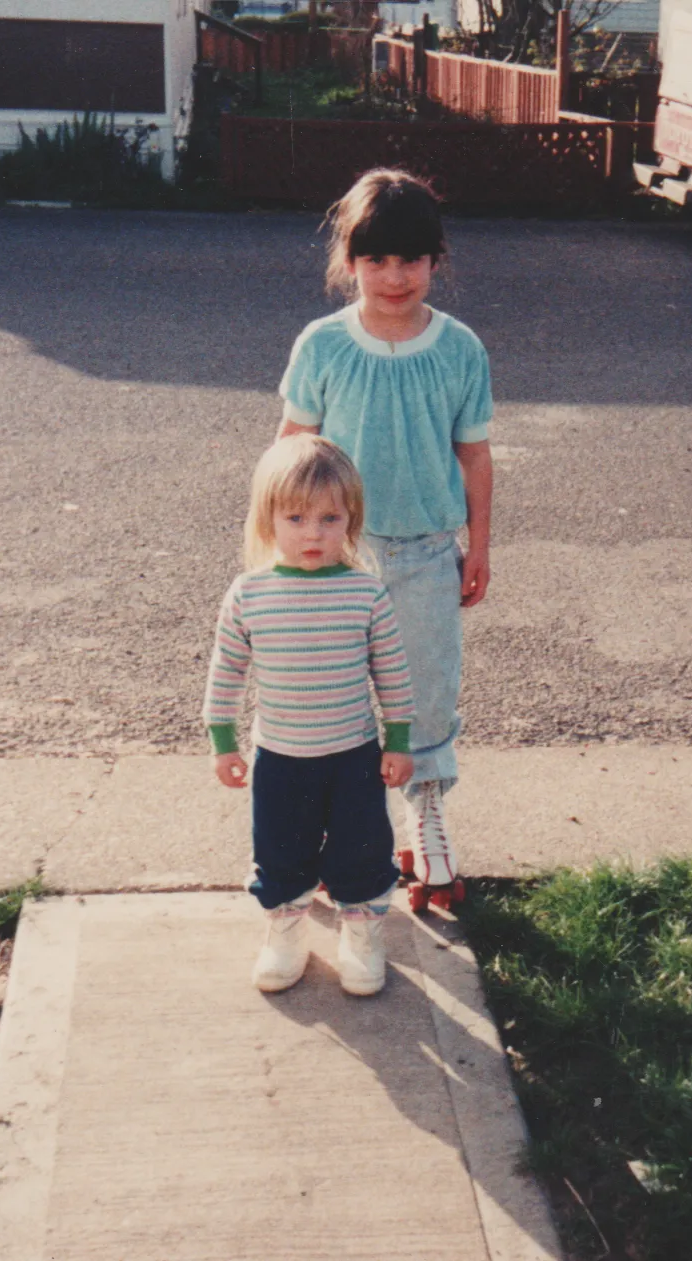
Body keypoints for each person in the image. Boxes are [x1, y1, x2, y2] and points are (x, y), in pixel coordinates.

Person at [275, 168, 493, 892]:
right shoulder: (322, 344)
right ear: (349, 262)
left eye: (410, 260)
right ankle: (332, 830)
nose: (393, 277)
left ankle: (425, 811)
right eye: (375, 260)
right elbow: (293, 449)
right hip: (334, 556)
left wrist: (480, 547)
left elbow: (474, 453)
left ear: (436, 260)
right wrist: (280, 547)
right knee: (330, 696)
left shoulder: (460, 348)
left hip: (427, 552)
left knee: (424, 692)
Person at [203, 434, 415, 996]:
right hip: (280, 756)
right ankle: (285, 933)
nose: (314, 532)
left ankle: (363, 935)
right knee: (281, 847)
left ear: (351, 518)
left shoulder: (366, 594)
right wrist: (223, 741)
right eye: (295, 517)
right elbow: (226, 673)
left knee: (361, 847)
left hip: (353, 756)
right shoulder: (250, 594)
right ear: (268, 519)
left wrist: (399, 740)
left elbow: (391, 672)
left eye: (329, 517)